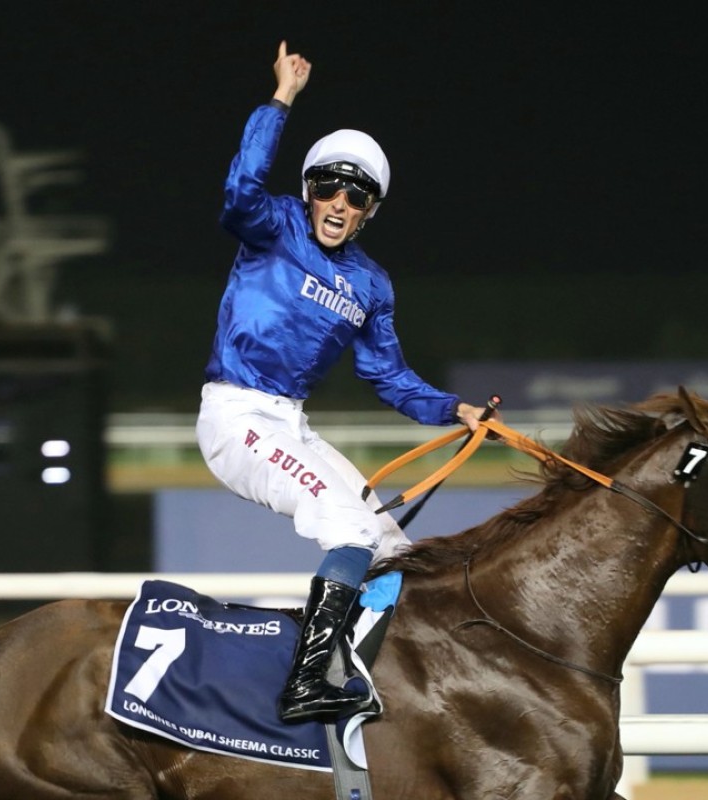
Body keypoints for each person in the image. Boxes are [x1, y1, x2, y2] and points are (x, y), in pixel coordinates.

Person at [196, 41, 492, 724]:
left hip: (289, 422)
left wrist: (458, 409)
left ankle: (369, 676)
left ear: (369, 212)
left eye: (355, 195)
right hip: (235, 416)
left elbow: (388, 376)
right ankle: (308, 681)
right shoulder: (272, 225)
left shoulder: (370, 283)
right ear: (309, 191)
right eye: (328, 186)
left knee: (393, 549)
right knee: (353, 533)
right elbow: (239, 187)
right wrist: (281, 100)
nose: (338, 201)